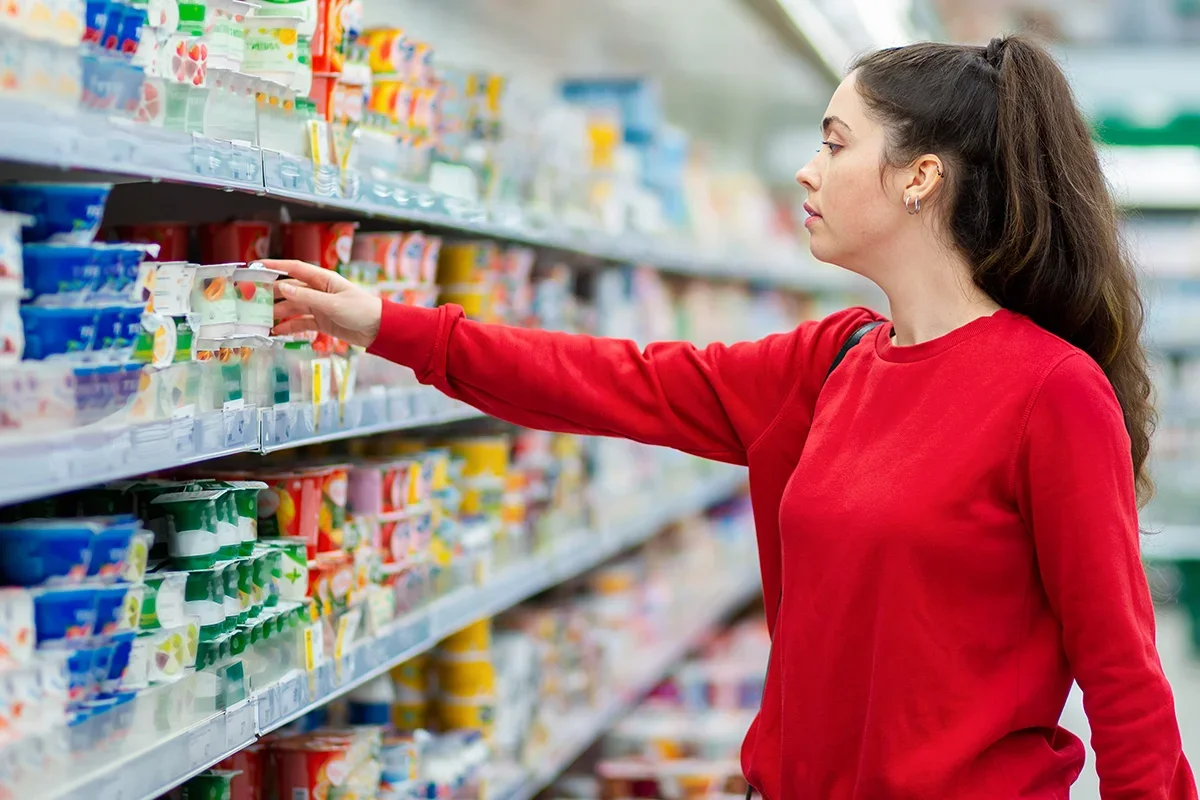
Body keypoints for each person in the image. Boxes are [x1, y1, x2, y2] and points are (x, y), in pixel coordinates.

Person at [264, 34, 1196, 800]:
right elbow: (611, 377)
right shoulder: (831, 360)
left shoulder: (1051, 392)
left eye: (834, 142)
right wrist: (388, 324)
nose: (806, 170)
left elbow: (1123, 675)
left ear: (920, 178)